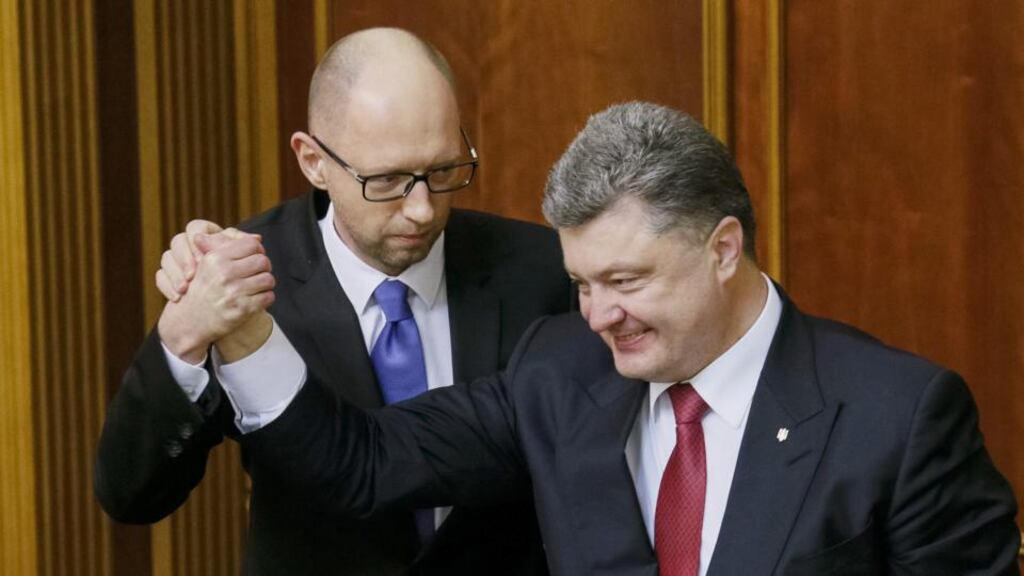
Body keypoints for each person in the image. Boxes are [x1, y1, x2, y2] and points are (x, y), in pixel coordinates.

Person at [178, 102, 1020, 575]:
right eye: (582, 282)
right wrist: (242, 330)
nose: (597, 314)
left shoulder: (900, 417)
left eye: (627, 281)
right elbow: (360, 462)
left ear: (723, 248)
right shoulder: (558, 370)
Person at [94, 28, 572, 575]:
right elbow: (131, 495)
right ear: (313, 161)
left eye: (442, 171)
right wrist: (182, 339)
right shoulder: (245, 280)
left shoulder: (543, 271)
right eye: (387, 180)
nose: (421, 209)